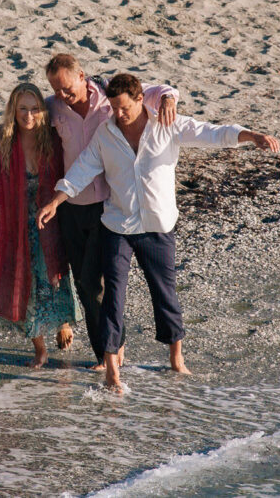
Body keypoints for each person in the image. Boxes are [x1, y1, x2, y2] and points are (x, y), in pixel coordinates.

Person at [38, 73, 280, 389]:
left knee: (164, 294)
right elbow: (80, 170)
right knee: (113, 297)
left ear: (141, 100)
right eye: (114, 108)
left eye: (124, 108)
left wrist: (250, 136)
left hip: (157, 226)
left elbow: (212, 133)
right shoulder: (105, 134)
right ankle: (113, 371)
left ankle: (176, 359)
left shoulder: (168, 125)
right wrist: (56, 201)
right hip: (118, 226)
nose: (119, 115)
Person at [44, 54, 178, 370]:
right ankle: (103, 354)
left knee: (101, 283)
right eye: (55, 89)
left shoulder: (108, 94)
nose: (62, 95)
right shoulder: (53, 106)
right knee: (86, 284)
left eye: (66, 87)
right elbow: (23, 119)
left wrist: (170, 98)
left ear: (81, 75)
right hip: (72, 206)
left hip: (107, 204)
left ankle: (113, 350)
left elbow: (156, 91)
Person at [0, 83, 81, 368]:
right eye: (23, 109)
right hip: (18, 225)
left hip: (51, 222)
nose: (29, 115)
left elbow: (70, 170)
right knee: (24, 286)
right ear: (13, 110)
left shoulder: (53, 138)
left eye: (35, 109)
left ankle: (63, 324)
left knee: (57, 279)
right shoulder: (4, 139)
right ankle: (40, 349)